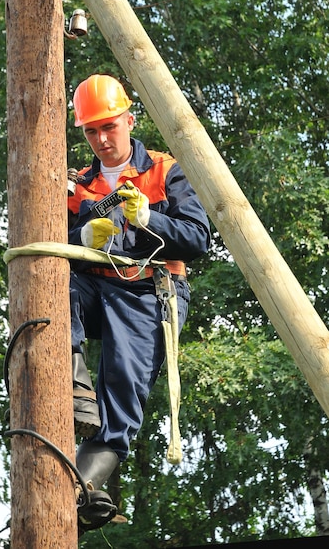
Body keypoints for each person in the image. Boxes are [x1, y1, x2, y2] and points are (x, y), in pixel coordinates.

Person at [68, 74, 210, 533]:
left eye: (109, 126)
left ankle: (82, 485)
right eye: (91, 130)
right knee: (52, 290)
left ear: (129, 120)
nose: (102, 139)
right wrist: (83, 235)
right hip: (96, 287)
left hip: (151, 289)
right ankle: (74, 392)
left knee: (124, 381)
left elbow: (197, 238)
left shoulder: (164, 171)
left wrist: (150, 218)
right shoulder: (80, 186)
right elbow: (52, 246)